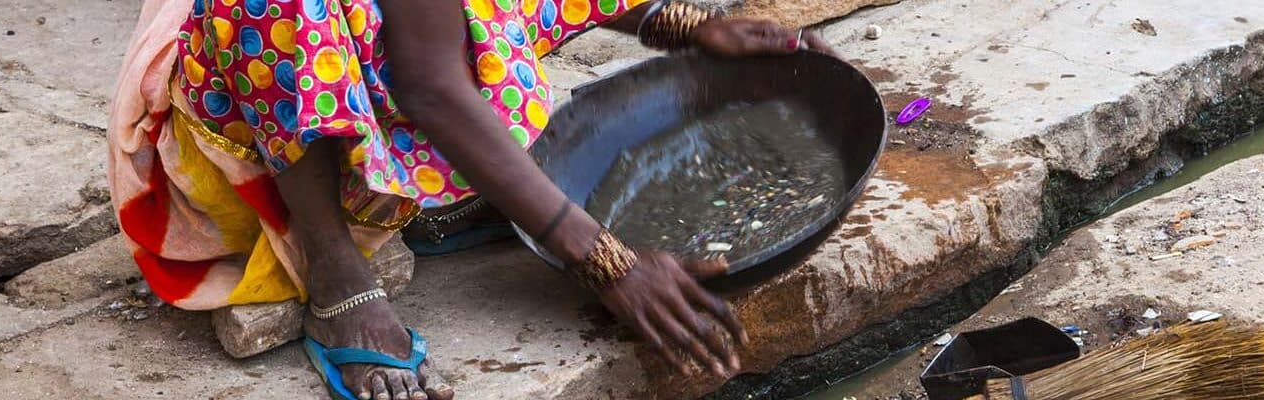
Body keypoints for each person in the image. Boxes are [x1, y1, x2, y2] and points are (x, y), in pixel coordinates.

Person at [108, 0, 834, 398]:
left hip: (369, 73)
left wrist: (678, 23)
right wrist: (605, 259)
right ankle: (334, 271)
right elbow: (428, 84)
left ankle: (423, 201)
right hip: (242, 147)